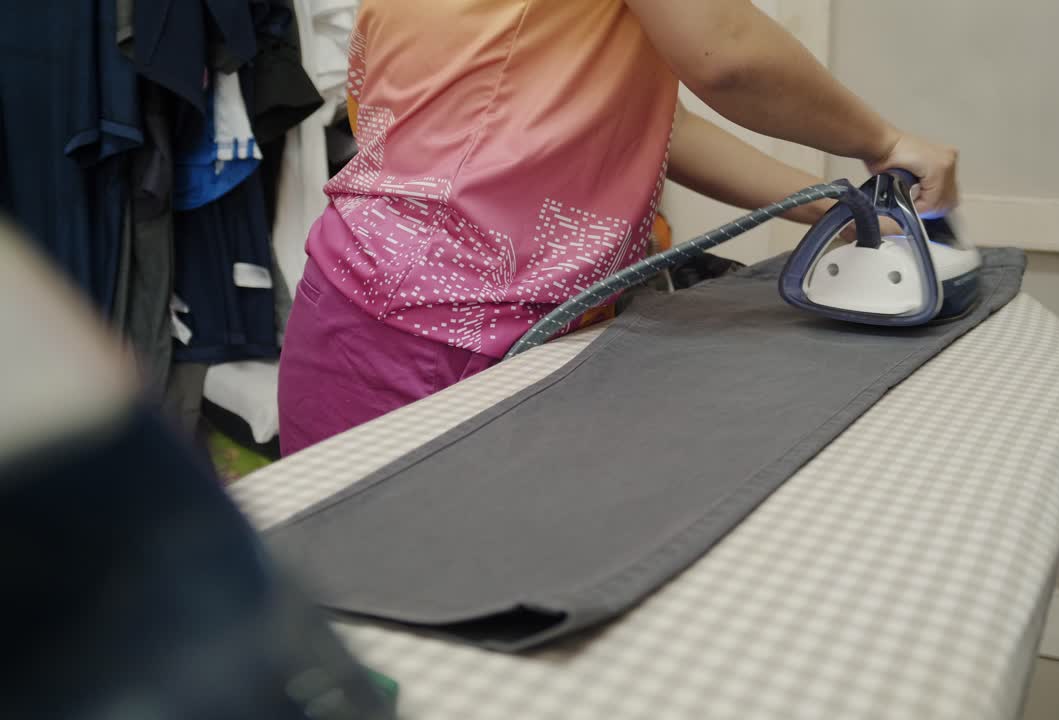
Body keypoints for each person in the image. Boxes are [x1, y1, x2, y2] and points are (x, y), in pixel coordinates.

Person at [278, 0, 961, 455]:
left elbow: (643, 121)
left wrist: (837, 205)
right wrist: (885, 141)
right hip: (441, 328)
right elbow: (728, 55)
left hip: (375, 309)